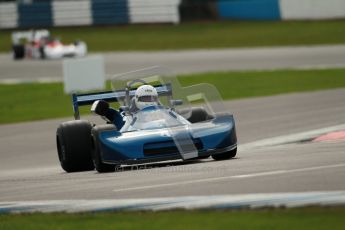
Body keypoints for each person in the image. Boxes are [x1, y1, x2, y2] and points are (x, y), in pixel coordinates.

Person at [91, 85, 159, 129]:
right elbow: (107, 111)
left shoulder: (164, 113)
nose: (150, 101)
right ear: (137, 99)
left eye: (153, 98)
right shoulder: (124, 114)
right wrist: (102, 108)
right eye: (146, 98)